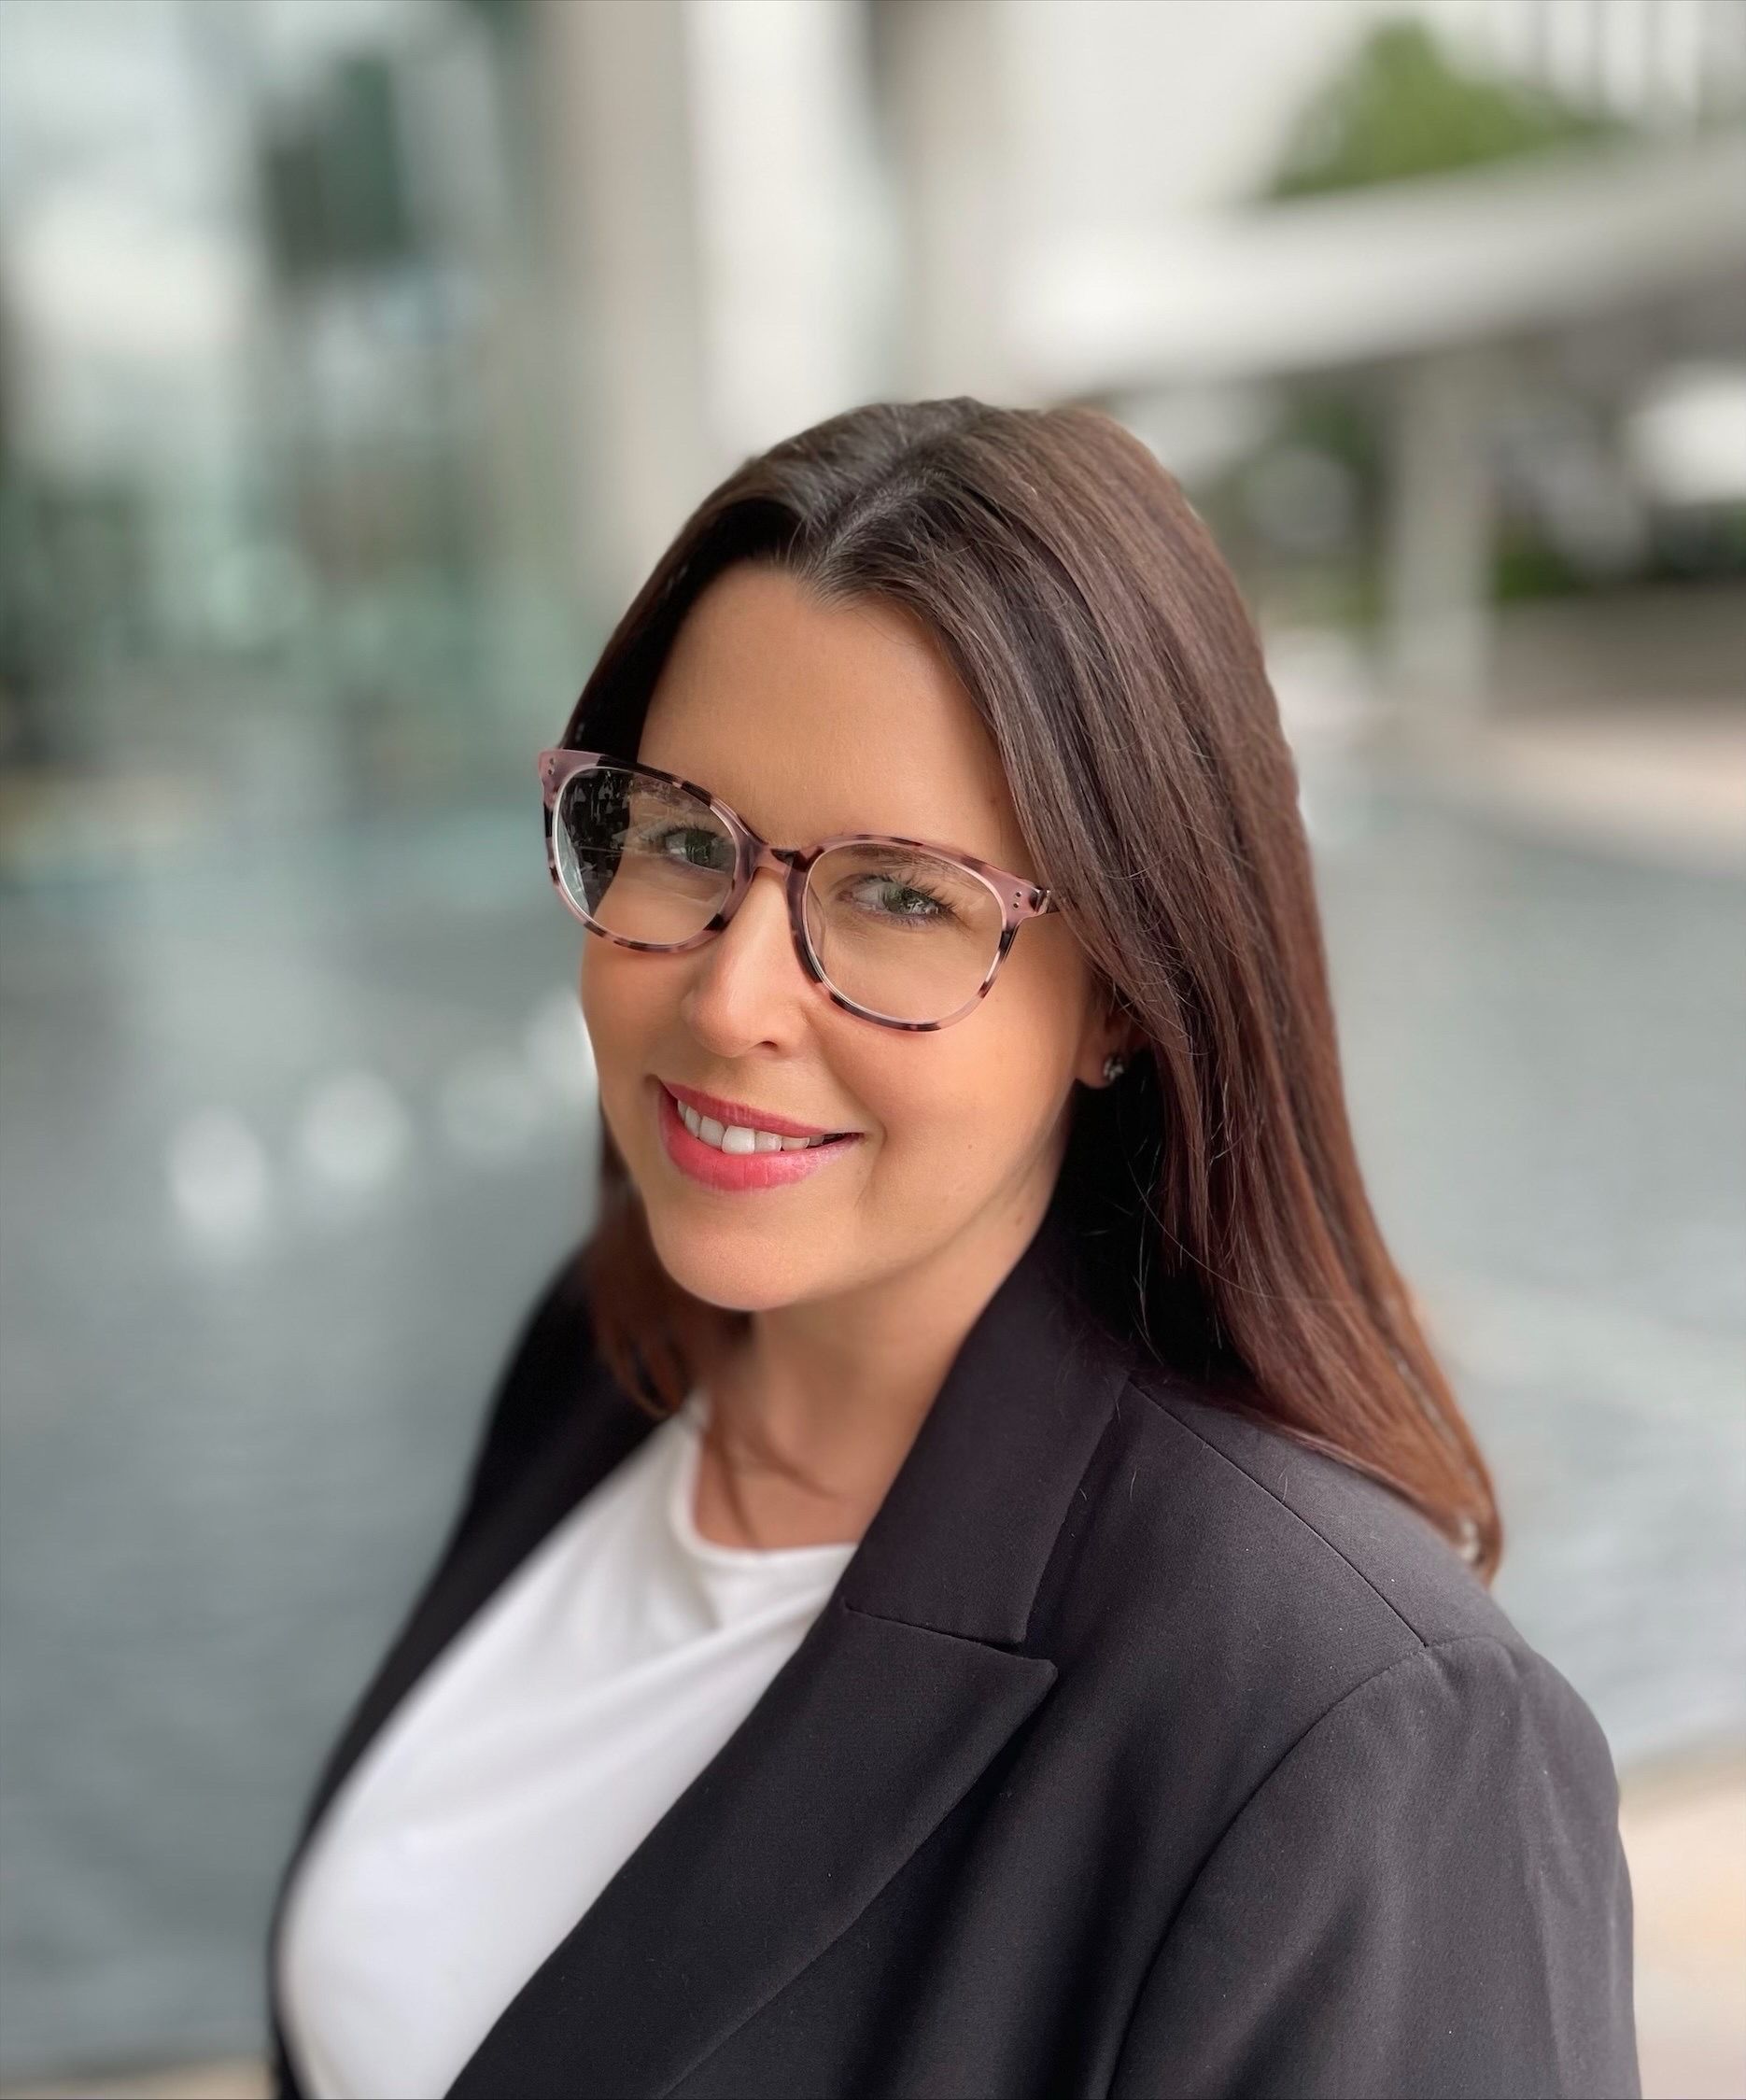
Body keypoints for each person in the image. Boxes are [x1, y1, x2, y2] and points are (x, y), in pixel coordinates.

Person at [264, 398, 1640, 2099]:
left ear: (1124, 1001)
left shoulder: (1347, 1726)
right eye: (687, 839)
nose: (731, 994)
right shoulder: (607, 1359)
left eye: (901, 894)